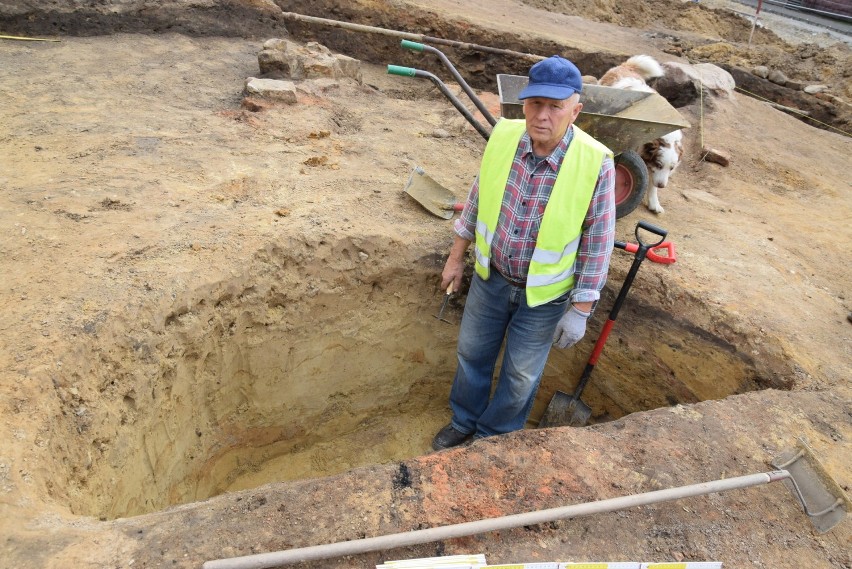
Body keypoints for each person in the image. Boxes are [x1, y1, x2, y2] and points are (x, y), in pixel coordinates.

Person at [432, 55, 616, 451]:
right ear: (525, 103)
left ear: (575, 110)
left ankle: (492, 438)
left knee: (520, 376)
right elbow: (478, 199)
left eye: (555, 106)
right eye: (535, 104)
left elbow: (598, 241)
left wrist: (581, 310)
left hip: (545, 298)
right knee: (471, 355)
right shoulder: (503, 137)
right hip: (491, 278)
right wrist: (455, 258)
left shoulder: (595, 162)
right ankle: (464, 420)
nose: (542, 116)